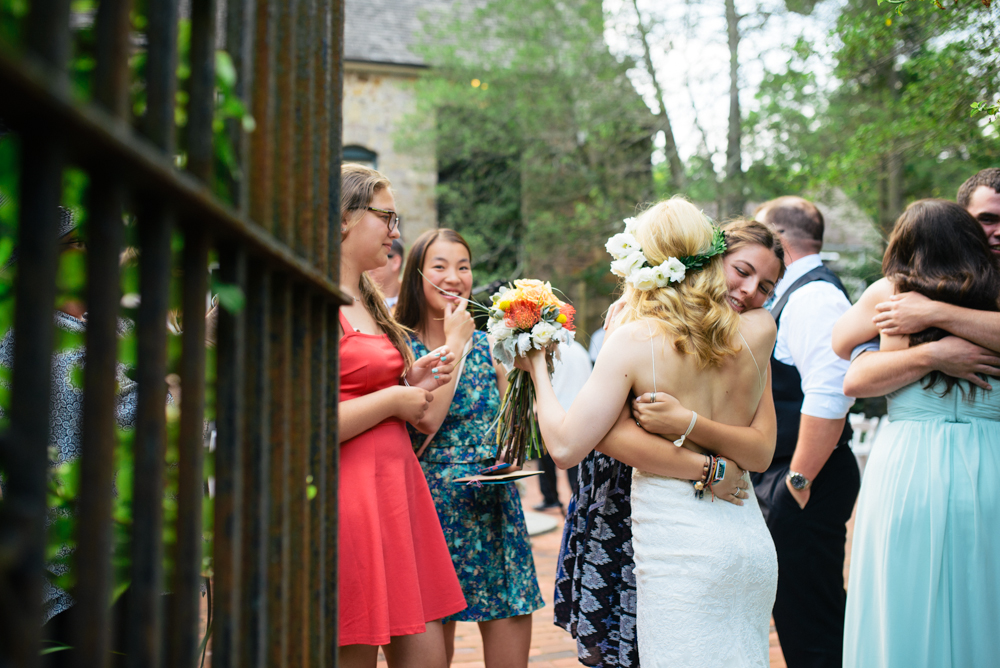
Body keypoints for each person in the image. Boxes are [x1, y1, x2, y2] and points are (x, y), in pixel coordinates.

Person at [522, 198, 781, 667]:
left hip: (682, 547)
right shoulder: (757, 332)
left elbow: (564, 446)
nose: (750, 290)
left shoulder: (635, 339)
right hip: (748, 538)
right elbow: (761, 449)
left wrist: (537, 366)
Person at [831, 199, 1000, 667]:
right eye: (988, 220)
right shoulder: (990, 294)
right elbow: (852, 364)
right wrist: (935, 353)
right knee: (983, 592)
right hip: (989, 455)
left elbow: (840, 342)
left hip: (908, 461)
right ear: (969, 228)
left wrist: (928, 315)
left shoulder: (893, 294)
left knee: (904, 590)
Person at [394, 228, 544, 668]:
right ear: (416, 274)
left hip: (492, 505)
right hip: (431, 508)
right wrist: (453, 344)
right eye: (440, 266)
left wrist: (513, 446)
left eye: (463, 266)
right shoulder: (399, 344)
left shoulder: (487, 344)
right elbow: (425, 420)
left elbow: (513, 428)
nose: (454, 276)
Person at [336, 165, 466, 668]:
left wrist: (412, 382)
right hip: (352, 498)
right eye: (386, 216)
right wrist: (394, 401)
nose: (395, 230)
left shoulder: (366, 298)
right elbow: (306, 422)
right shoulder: (318, 300)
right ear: (344, 218)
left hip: (398, 491)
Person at [749, 196, 858, 668]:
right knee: (799, 615)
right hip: (791, 475)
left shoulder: (815, 297)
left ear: (778, 239)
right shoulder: (791, 291)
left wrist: (796, 484)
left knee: (812, 623)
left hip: (808, 478)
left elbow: (831, 393)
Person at [831, 168, 1000, 397]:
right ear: (963, 222)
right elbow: (852, 373)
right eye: (988, 219)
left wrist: (933, 312)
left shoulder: (906, 298)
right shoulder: (895, 292)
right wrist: (933, 355)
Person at [534, 340, 590, 511]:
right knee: (576, 462)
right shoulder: (580, 350)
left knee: (546, 460)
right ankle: (579, 499)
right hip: (578, 410)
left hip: (553, 409)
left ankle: (551, 498)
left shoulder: (546, 350)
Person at [369, 238, 404, 309]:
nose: (368, 265)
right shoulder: (359, 299)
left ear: (395, 262)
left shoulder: (414, 301)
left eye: (375, 257)